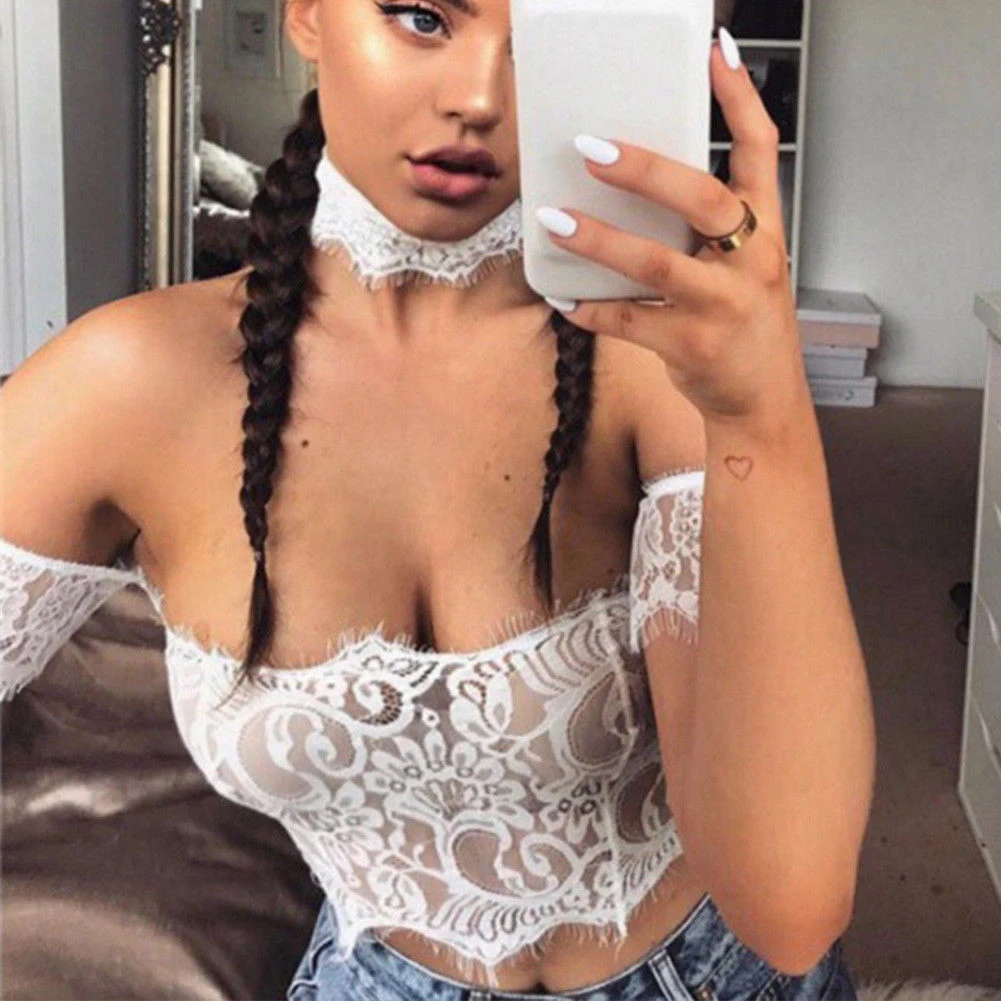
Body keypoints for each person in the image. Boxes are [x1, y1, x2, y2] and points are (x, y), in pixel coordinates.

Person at [0, 1, 874, 998]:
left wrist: (761, 414)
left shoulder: (655, 355)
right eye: (420, 16)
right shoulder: (128, 378)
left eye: (539, 43)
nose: (478, 98)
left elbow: (788, 906)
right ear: (306, 14)